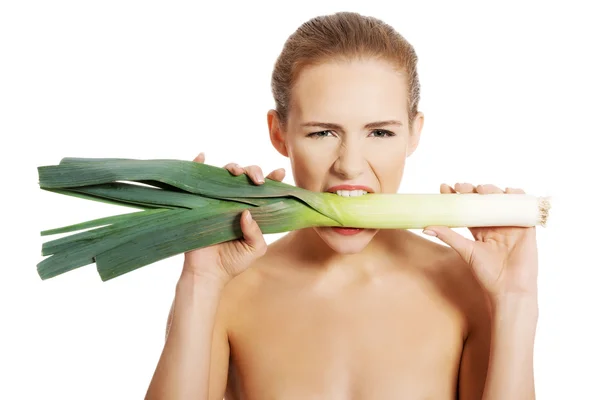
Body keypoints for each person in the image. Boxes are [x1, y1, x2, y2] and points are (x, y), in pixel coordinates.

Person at [145, 11, 539, 400]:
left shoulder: (467, 286)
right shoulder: (229, 289)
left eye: (380, 132)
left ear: (414, 134)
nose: (349, 164)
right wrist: (201, 282)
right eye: (323, 132)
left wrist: (515, 299)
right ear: (279, 133)